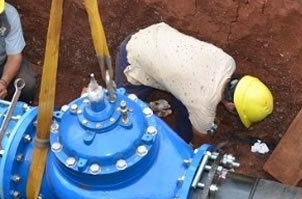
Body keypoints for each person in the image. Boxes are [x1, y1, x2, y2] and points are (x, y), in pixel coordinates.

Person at [115, 22, 273, 143]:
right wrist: (199, 141)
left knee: (186, 95)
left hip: (156, 34)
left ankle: (181, 132)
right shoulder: (203, 107)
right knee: (124, 109)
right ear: (231, 106)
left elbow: (198, 86)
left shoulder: (228, 63)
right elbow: (200, 144)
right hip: (133, 56)